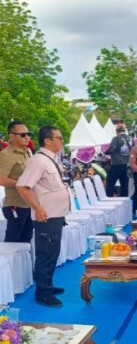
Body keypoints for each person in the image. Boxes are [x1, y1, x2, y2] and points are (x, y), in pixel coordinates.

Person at [15, 125, 71, 308]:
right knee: (45, 253)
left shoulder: (50, 159)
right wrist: (37, 208)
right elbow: (23, 186)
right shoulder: (38, 161)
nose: (62, 141)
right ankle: (43, 293)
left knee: (52, 252)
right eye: (59, 138)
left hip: (56, 214)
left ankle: (47, 285)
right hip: (45, 216)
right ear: (47, 140)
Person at [0, 120, 34, 243]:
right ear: (12, 136)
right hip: (15, 204)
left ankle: (24, 263)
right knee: (13, 241)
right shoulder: (6, 155)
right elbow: (1, 179)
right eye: (23, 135)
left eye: (29, 134)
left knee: (26, 240)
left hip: (28, 203)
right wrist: (23, 183)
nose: (27, 137)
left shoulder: (27, 151)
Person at [104, 122, 132, 197]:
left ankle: (109, 198)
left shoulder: (116, 138)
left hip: (116, 164)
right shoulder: (130, 139)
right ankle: (124, 199)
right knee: (124, 184)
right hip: (127, 164)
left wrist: (105, 152)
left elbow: (112, 148)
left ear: (117, 131)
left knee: (110, 183)